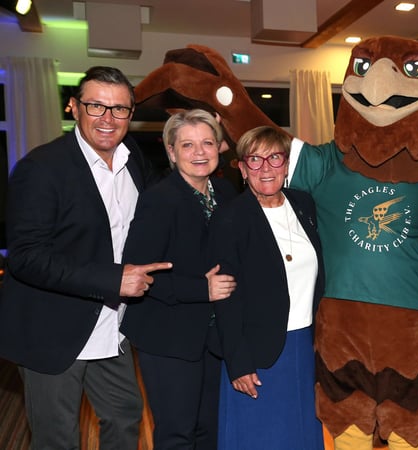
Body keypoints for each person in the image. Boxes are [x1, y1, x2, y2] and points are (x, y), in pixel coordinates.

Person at [0, 66, 172, 449]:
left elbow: (162, 210)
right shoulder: (41, 168)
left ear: (131, 114)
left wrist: (202, 157)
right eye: (96, 106)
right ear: (73, 107)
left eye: (119, 109)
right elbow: (26, 257)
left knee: (126, 416)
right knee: (58, 437)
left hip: (111, 327)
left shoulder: (135, 162)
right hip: (52, 329)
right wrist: (113, 280)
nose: (108, 119)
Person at [121, 109, 237, 450]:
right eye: (188, 145)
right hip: (169, 337)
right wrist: (202, 289)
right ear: (172, 152)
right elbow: (140, 273)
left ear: (219, 147)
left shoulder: (226, 192)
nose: (199, 152)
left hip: (214, 336)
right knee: (177, 434)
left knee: (210, 430)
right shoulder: (160, 199)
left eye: (207, 143)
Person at [208, 125, 325, 449]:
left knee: (301, 435)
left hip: (304, 346)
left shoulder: (304, 205)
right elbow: (225, 298)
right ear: (243, 169)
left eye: (274, 158)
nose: (266, 168)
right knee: (259, 437)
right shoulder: (229, 219)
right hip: (257, 353)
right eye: (255, 160)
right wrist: (238, 362)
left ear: (286, 165)